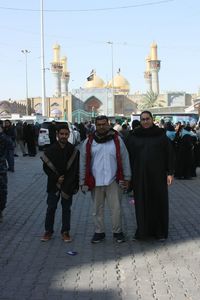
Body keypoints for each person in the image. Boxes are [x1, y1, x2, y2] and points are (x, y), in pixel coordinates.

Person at [80, 115, 131, 244]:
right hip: (95, 181)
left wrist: (127, 177)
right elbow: (83, 162)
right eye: (99, 125)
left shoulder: (117, 140)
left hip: (114, 180)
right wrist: (82, 181)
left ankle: (117, 232)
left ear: (109, 124)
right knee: (97, 209)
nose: (102, 127)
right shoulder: (89, 142)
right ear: (95, 126)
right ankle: (99, 232)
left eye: (104, 124)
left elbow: (125, 159)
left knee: (116, 208)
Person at [126, 111, 174, 241]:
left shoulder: (161, 136)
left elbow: (168, 154)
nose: (145, 121)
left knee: (158, 202)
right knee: (141, 203)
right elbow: (128, 157)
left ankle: (159, 231)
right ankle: (142, 231)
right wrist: (127, 177)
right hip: (139, 176)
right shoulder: (134, 136)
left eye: (148, 119)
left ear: (152, 120)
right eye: (143, 119)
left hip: (157, 176)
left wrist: (170, 173)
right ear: (140, 121)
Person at [40, 124, 79, 242]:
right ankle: (48, 231)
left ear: (69, 135)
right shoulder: (50, 150)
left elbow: (75, 169)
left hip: (68, 184)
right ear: (57, 135)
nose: (64, 136)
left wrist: (69, 182)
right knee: (51, 208)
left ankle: (65, 232)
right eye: (61, 134)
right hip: (53, 184)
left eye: (66, 134)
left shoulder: (73, 150)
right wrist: (56, 178)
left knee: (66, 209)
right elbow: (46, 168)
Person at [0, 121, 13, 222]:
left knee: (2, 192)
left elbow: (10, 145)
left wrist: (1, 133)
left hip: (1, 169)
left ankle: (0, 210)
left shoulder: (3, 137)